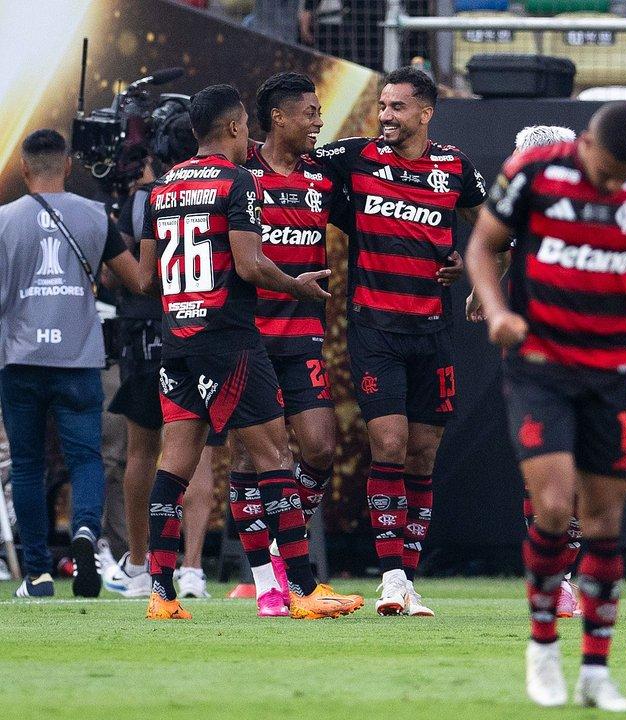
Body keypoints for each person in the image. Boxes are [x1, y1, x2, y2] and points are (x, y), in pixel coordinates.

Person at [466, 102, 626, 710]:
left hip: (610, 374)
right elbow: (483, 248)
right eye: (608, 170)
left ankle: (596, 669)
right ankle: (543, 646)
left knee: (604, 525)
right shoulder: (534, 171)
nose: (615, 184)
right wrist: (497, 310)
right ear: (585, 141)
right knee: (552, 503)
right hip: (540, 367)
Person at [138, 83, 363, 620]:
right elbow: (250, 266)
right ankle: (304, 590)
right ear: (239, 128)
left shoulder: (162, 188)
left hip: (178, 343)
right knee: (274, 459)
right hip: (230, 339)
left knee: (175, 464)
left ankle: (160, 594)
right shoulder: (235, 180)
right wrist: (297, 287)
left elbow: (146, 278)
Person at [312, 67, 485, 616]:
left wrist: (475, 274)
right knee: (387, 445)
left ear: (425, 113)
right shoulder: (355, 158)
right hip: (373, 329)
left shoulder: (455, 167)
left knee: (423, 454)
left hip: (432, 332)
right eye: (382, 106)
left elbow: (491, 233)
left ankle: (408, 578)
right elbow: (287, 167)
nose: (385, 116)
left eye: (397, 108)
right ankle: (390, 576)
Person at [465, 124, 626, 619]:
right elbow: (492, 254)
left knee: (588, 487)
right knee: (549, 482)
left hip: (598, 364)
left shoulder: (604, 211)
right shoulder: (519, 218)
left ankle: (566, 580)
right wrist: (488, 295)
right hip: (538, 365)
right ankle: (557, 581)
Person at [217, 72, 342, 611]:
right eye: (311, 113)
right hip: (251, 338)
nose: (319, 122)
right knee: (251, 459)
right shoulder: (240, 173)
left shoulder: (322, 172)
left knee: (320, 447)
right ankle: (269, 578)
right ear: (280, 119)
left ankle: (277, 540)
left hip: (303, 335)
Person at [0, 129, 141, 598]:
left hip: (19, 359)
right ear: (66, 166)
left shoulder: (3, 220)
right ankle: (84, 531)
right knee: (86, 460)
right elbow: (139, 280)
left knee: (26, 464)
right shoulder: (95, 215)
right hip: (78, 359)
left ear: (23, 169)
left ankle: (37, 574)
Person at [104, 129, 221, 600]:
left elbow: (130, 276)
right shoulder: (224, 188)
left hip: (147, 332)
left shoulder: (144, 201)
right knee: (201, 449)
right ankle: (191, 568)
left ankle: (141, 563)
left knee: (143, 451)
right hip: (201, 328)